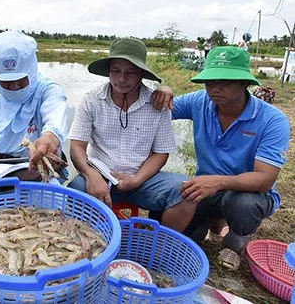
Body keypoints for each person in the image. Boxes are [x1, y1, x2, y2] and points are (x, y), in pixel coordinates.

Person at [152, 46, 290, 270]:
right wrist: (163, 90)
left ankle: (235, 242)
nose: (215, 88)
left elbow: (264, 179)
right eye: (210, 81)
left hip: (247, 193)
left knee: (243, 203)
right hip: (207, 188)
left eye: (225, 81)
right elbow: (159, 109)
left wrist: (217, 182)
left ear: (245, 83)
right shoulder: (200, 102)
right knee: (164, 214)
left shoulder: (273, 121)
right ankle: (213, 224)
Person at [67, 37, 197, 233]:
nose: (121, 79)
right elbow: (77, 146)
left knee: (186, 191)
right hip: (101, 176)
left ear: (141, 74)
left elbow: (160, 154)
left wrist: (136, 180)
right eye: (116, 71)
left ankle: (160, 248)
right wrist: (90, 174)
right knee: (77, 189)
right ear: (109, 71)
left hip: (143, 180)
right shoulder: (91, 100)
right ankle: (90, 244)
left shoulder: (157, 104)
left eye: (130, 73)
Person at [0, 30, 68, 192]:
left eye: (21, 81)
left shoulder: (48, 90)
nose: (15, 87)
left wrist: (49, 138)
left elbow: (54, 121)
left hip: (35, 168)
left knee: (53, 198)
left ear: (31, 72)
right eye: (7, 83)